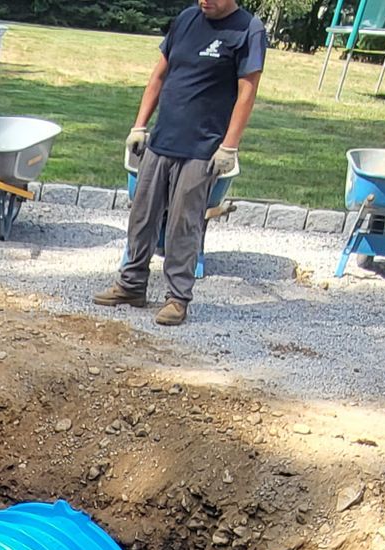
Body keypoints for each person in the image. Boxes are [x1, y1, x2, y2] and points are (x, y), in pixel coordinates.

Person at [94, 0, 266, 326]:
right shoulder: (187, 18)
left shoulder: (248, 30)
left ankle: (177, 298)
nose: (205, 1)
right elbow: (159, 75)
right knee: (141, 215)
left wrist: (229, 146)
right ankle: (131, 285)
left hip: (202, 148)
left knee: (182, 225)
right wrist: (140, 125)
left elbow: (247, 94)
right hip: (162, 139)